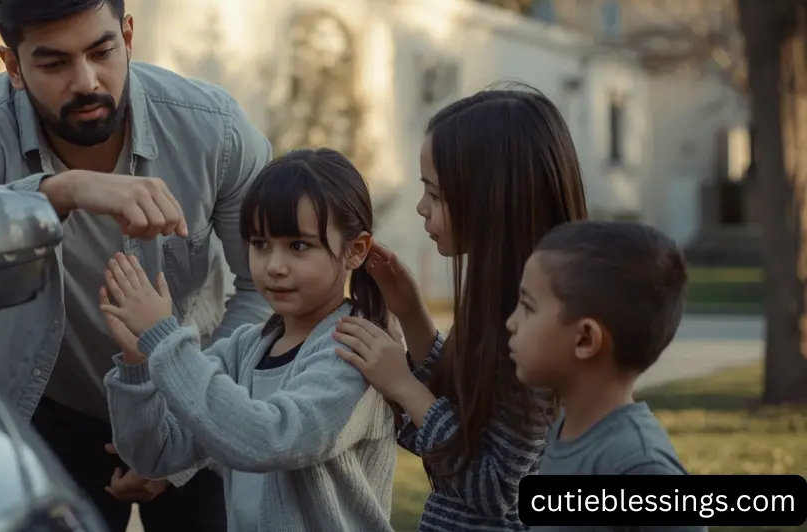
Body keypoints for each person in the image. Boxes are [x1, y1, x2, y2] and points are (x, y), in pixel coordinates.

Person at [0, 0, 273, 532]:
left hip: (198, 398)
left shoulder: (216, 132)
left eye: (102, 51)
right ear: (12, 66)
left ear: (128, 35)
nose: (86, 81)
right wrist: (67, 191)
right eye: (53, 63)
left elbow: (263, 292)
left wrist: (189, 429)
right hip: (51, 410)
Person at [329, 85, 588, 530]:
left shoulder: (536, 329)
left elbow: (493, 488)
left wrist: (405, 387)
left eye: (436, 194)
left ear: (493, 199)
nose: (421, 207)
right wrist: (412, 316)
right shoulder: (505, 302)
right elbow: (464, 420)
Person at [101, 148, 397, 532]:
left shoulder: (355, 351)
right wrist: (137, 363)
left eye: (298, 246)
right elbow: (155, 455)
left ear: (355, 250)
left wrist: (165, 341)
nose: (274, 266)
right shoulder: (244, 349)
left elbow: (271, 439)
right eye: (260, 244)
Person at [506, 220, 704, 532]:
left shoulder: (638, 465)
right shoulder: (566, 430)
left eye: (527, 307)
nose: (511, 323)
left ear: (585, 339)